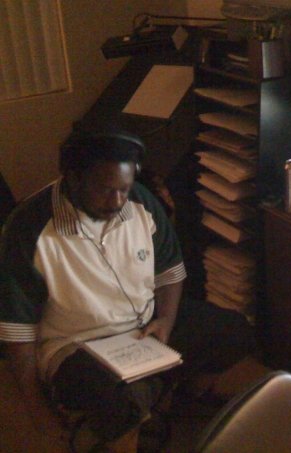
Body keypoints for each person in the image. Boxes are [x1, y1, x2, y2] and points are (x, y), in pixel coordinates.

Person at [0, 130, 255, 451]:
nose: (118, 201)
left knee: (234, 331)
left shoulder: (140, 201)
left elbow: (171, 273)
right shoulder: (27, 229)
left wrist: (166, 321)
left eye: (125, 188)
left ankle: (176, 391)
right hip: (75, 344)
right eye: (107, 190)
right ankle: (134, 411)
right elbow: (17, 332)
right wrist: (37, 410)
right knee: (119, 404)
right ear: (73, 179)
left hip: (144, 326)